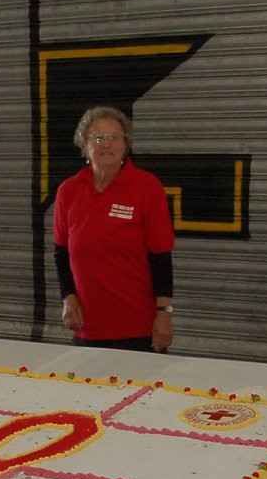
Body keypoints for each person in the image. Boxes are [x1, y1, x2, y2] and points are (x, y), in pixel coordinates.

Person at [53, 105, 175, 351]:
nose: (106, 144)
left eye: (114, 137)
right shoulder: (68, 191)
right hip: (87, 328)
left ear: (125, 145)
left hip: (137, 329)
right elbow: (61, 253)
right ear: (85, 145)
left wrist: (165, 313)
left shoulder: (147, 187)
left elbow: (161, 257)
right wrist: (68, 297)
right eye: (98, 138)